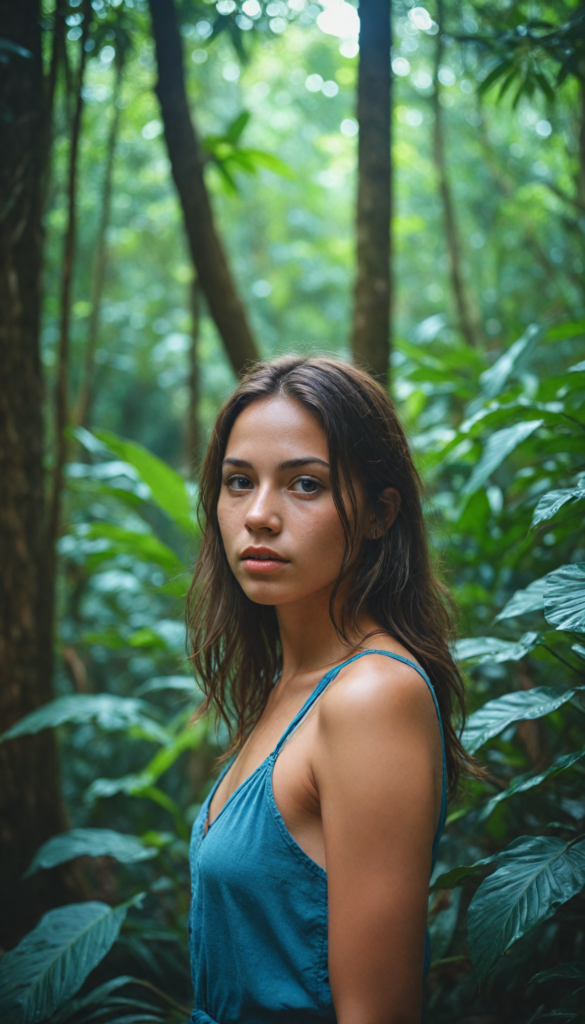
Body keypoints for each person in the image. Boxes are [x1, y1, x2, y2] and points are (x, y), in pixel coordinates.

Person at [186, 356, 473, 1024]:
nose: (258, 515)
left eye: (304, 485)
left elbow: (377, 1012)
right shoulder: (287, 685)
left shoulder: (370, 696)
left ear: (378, 515)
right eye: (237, 482)